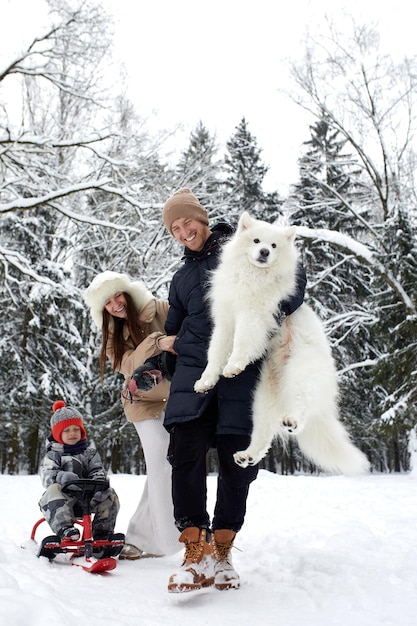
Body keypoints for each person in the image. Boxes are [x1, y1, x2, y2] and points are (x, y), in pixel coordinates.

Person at [156, 188, 307, 593]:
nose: (184, 231)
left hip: (246, 376)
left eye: (188, 222)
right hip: (194, 377)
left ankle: (223, 551)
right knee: (184, 456)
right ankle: (195, 550)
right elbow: (173, 332)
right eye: (175, 227)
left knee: (238, 465)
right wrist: (168, 353)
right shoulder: (182, 277)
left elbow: (292, 289)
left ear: (202, 220)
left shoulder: (251, 245)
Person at [83, 271, 180, 560]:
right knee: (161, 459)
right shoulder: (112, 337)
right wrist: (158, 343)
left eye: (118, 296)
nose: (116, 304)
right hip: (141, 404)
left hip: (173, 400)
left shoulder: (159, 309)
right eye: (108, 302)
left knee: (166, 464)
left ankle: (139, 537)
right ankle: (170, 540)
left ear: (127, 294)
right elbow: (128, 365)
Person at [39, 400, 120, 542]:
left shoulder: (89, 453)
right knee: (52, 490)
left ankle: (102, 534)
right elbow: (47, 475)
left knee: (110, 495)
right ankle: (65, 529)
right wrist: (63, 477)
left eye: (76, 429)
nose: (72, 433)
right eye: (67, 430)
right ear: (58, 434)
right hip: (64, 499)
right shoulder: (53, 455)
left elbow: (97, 469)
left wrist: (99, 479)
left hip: (88, 497)